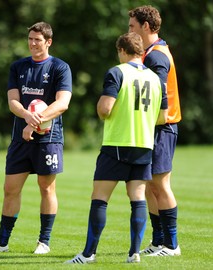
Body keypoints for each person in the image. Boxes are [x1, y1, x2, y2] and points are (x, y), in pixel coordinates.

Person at [65, 32, 168, 264]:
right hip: (144, 145)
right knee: (138, 197)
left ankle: (88, 254)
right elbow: (163, 117)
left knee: (100, 198)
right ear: (141, 52)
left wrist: (102, 109)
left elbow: (105, 109)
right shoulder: (156, 79)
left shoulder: (116, 72)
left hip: (117, 144)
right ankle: (134, 253)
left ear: (122, 50)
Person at [0, 22, 72, 255]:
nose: (32, 43)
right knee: (10, 188)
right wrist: (29, 119)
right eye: (30, 39)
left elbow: (62, 103)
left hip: (49, 139)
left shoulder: (60, 67)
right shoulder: (18, 67)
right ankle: (1, 243)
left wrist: (34, 123)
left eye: (37, 40)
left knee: (46, 188)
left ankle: (44, 242)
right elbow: (13, 102)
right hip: (21, 139)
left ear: (48, 42)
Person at [128, 5, 182, 256]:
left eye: (132, 26)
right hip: (154, 128)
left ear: (146, 27)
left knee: (160, 185)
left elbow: (159, 95)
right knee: (151, 186)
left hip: (163, 127)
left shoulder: (156, 55)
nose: (129, 31)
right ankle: (158, 241)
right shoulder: (152, 51)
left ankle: (172, 245)